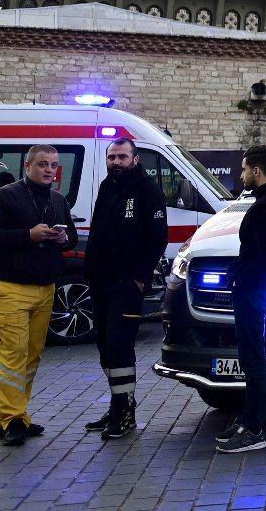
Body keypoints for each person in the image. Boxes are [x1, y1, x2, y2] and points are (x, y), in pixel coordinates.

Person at [0, 145, 77, 446]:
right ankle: (10, 420)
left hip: (45, 288)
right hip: (9, 287)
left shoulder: (58, 200)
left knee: (31, 356)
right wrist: (27, 236)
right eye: (43, 164)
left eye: (54, 165)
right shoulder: (5, 196)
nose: (49, 170)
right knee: (11, 356)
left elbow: (70, 235)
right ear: (28, 167)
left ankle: (18, 414)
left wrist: (62, 238)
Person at [81, 136, 168, 440]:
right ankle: (117, 404)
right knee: (104, 346)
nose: (116, 162)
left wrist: (139, 278)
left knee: (119, 346)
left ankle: (125, 414)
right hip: (101, 282)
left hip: (127, 284)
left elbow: (158, 238)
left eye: (121, 157)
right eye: (111, 157)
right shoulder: (107, 187)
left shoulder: (147, 191)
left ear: (135, 159)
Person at [215, 144, 266, 455]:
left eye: (245, 169)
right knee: (252, 359)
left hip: (254, 293)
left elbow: (265, 257)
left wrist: (236, 274)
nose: (241, 174)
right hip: (259, 291)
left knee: (253, 360)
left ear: (257, 171)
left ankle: (253, 428)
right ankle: (248, 418)